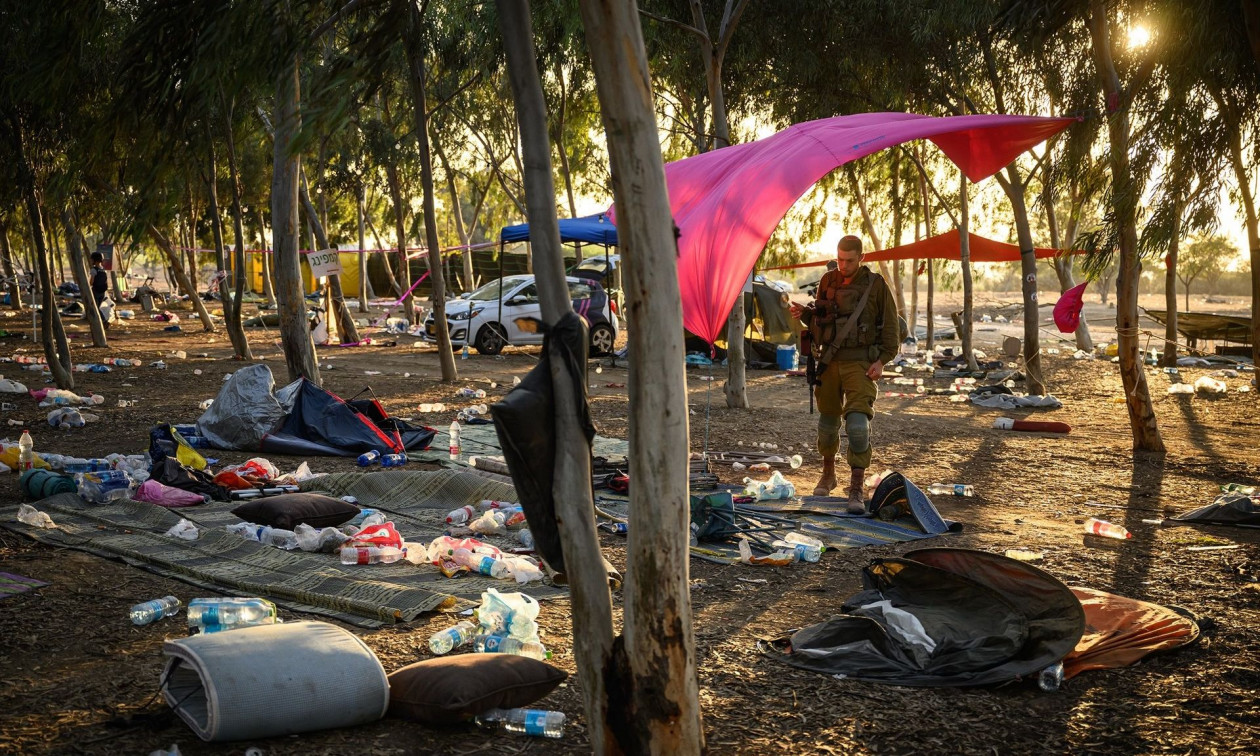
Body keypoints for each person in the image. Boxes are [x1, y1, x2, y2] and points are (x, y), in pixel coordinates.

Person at [790, 235, 899, 513]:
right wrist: (804, 313)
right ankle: (828, 474)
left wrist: (883, 361)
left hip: (861, 363)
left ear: (861, 258)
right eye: (839, 259)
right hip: (828, 361)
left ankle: (856, 487)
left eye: (849, 260)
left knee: (859, 426)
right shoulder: (828, 281)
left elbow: (890, 329)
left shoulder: (875, 285)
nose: (843, 265)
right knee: (827, 425)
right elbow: (821, 319)